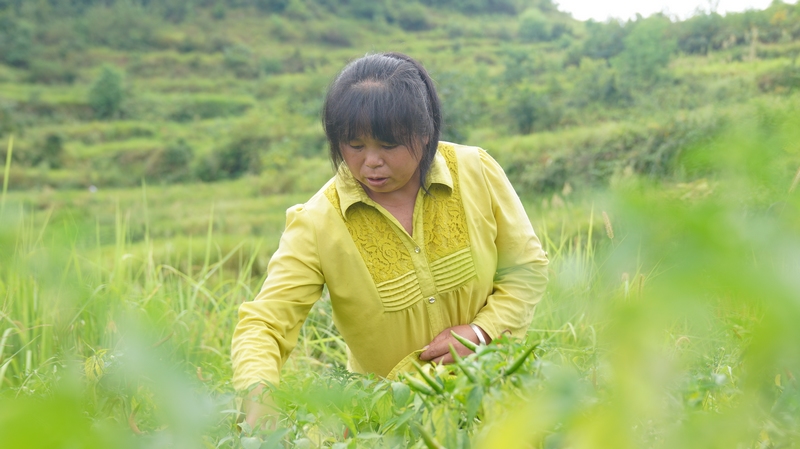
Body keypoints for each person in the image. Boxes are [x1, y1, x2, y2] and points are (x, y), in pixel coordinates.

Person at [231, 52, 548, 427]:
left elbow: (526, 267)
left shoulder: (475, 170)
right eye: (355, 145)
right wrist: (258, 397)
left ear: (424, 133)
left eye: (388, 145)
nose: (371, 162)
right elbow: (266, 322)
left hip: (499, 397)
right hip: (392, 424)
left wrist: (481, 332)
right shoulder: (317, 222)